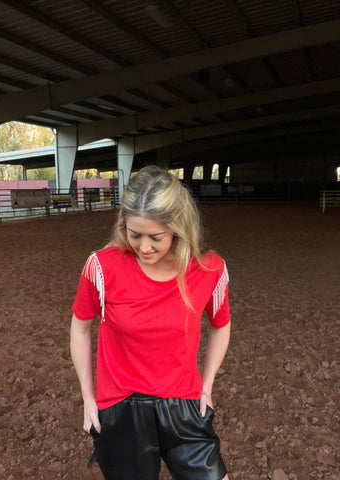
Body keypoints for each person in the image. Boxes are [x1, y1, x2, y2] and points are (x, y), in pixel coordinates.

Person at [70, 165, 231, 480]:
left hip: (184, 405)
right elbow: (80, 327)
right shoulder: (101, 268)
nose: (144, 247)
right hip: (123, 408)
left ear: (178, 227)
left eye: (156, 237)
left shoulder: (209, 269)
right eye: (135, 234)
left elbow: (221, 325)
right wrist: (89, 398)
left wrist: (207, 386)